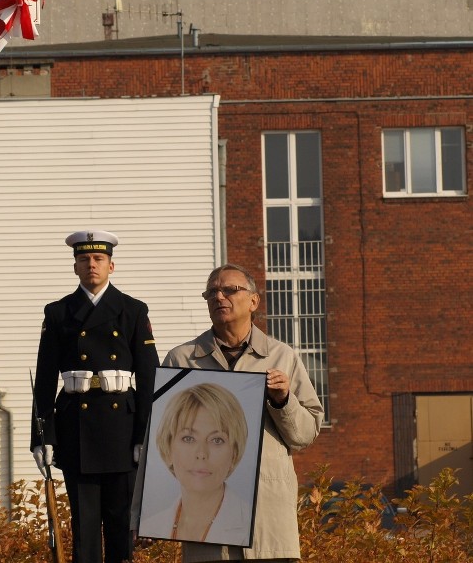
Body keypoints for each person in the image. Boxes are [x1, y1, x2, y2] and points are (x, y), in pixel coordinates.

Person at [162, 263, 323, 562]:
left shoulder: (280, 356)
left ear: (253, 301)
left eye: (230, 290)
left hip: (267, 518)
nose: (219, 296)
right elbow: (164, 437)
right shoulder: (182, 359)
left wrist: (283, 400)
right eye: (212, 292)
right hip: (205, 521)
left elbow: (305, 434)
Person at [31, 230, 159, 563]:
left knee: (120, 523)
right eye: (84, 259)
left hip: (121, 428)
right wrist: (41, 437)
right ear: (75, 267)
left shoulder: (132, 310)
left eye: (98, 259)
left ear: (111, 266)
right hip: (77, 426)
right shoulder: (58, 313)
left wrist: (145, 433)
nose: (91, 265)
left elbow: (149, 377)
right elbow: (44, 379)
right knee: (84, 527)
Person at [142, 382, 252, 546]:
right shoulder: (150, 526)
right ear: (168, 446)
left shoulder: (252, 523)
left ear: (234, 453)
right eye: (188, 438)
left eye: (216, 440)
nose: (201, 454)